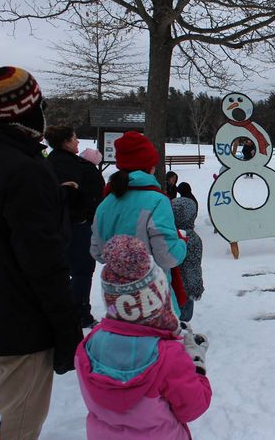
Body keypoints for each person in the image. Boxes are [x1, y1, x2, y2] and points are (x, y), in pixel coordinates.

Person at [0, 66, 83, 439]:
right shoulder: (24, 171)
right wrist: (66, 327)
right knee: (10, 432)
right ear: (26, 110)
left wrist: (55, 198)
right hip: (17, 335)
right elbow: (43, 264)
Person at [75, 235, 212, 439]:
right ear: (158, 300)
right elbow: (193, 408)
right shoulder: (169, 357)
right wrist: (196, 363)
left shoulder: (89, 345)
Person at [90, 131, 187, 315]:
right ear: (150, 166)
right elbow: (168, 256)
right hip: (154, 302)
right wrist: (182, 243)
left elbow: (98, 252)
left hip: (119, 305)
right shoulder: (157, 201)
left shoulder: (106, 203)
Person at [45, 125, 106, 328]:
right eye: (74, 139)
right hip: (75, 225)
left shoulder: (51, 161)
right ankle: (80, 313)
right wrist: (86, 212)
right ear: (65, 142)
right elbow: (72, 195)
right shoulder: (69, 165)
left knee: (67, 269)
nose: (78, 142)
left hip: (59, 225)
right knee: (82, 269)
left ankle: (69, 309)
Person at [172, 196, 204, 322]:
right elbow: (192, 267)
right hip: (184, 290)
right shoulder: (191, 239)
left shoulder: (166, 234)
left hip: (167, 288)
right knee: (183, 320)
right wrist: (196, 288)